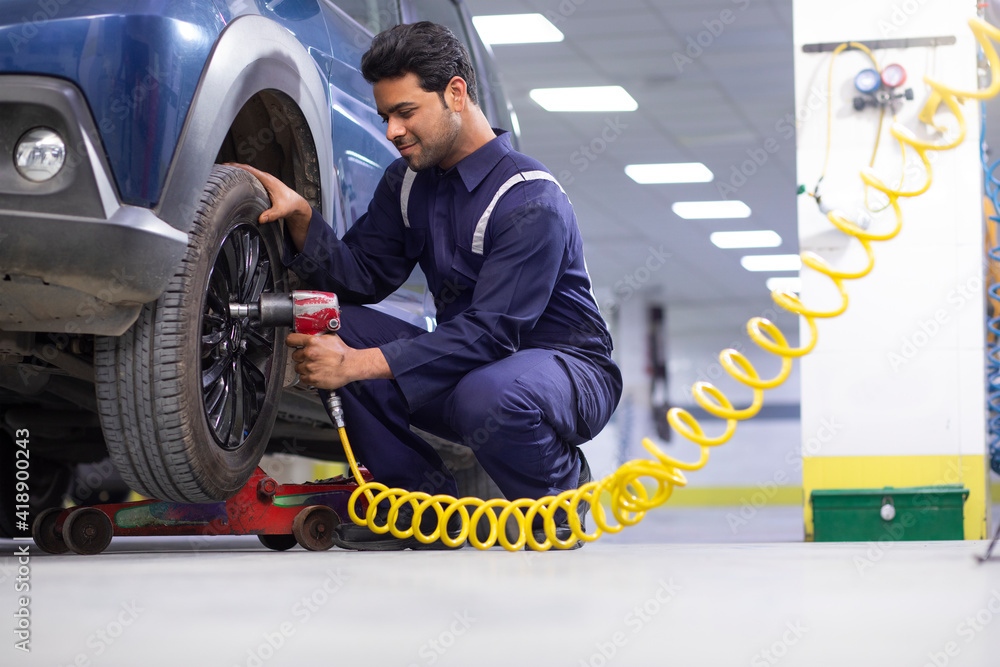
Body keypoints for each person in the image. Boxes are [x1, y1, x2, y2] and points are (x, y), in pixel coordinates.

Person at [235, 21, 622, 550]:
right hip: (475, 366)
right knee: (335, 321)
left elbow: (491, 333)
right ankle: (421, 509)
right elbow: (364, 275)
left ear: (455, 93)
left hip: (564, 369)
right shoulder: (410, 182)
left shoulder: (528, 200)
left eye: (405, 112)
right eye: (384, 116)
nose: (392, 130)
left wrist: (355, 364)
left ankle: (558, 499)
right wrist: (302, 219)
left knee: (490, 394)